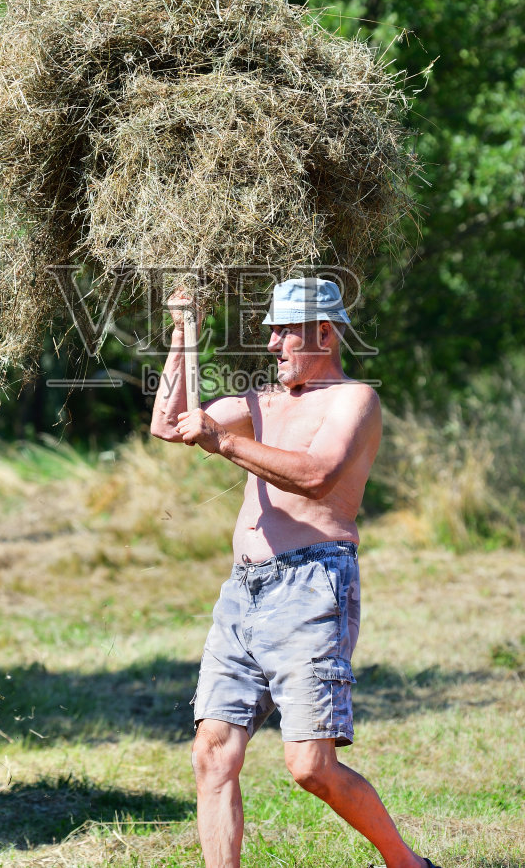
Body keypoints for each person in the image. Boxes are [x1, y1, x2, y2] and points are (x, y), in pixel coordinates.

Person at [149, 277, 440, 868]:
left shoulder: (354, 401)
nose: (274, 344)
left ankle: (405, 863)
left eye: (287, 332)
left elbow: (315, 475)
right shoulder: (262, 401)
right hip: (243, 592)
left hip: (312, 587)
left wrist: (225, 445)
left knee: (309, 766)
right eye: (272, 331)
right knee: (213, 751)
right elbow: (170, 422)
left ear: (326, 334)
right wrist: (185, 331)